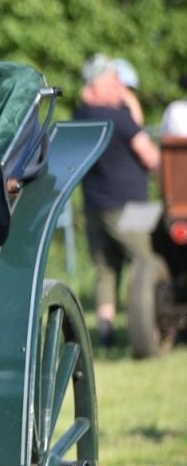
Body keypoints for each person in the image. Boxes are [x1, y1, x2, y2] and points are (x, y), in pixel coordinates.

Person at [74, 53, 161, 347]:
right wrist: (128, 100)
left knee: (106, 271)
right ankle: (147, 327)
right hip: (130, 205)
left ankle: (106, 333)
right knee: (145, 263)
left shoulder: (80, 117)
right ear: (98, 85)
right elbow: (150, 157)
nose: (120, 87)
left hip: (95, 208)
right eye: (114, 81)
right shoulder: (119, 119)